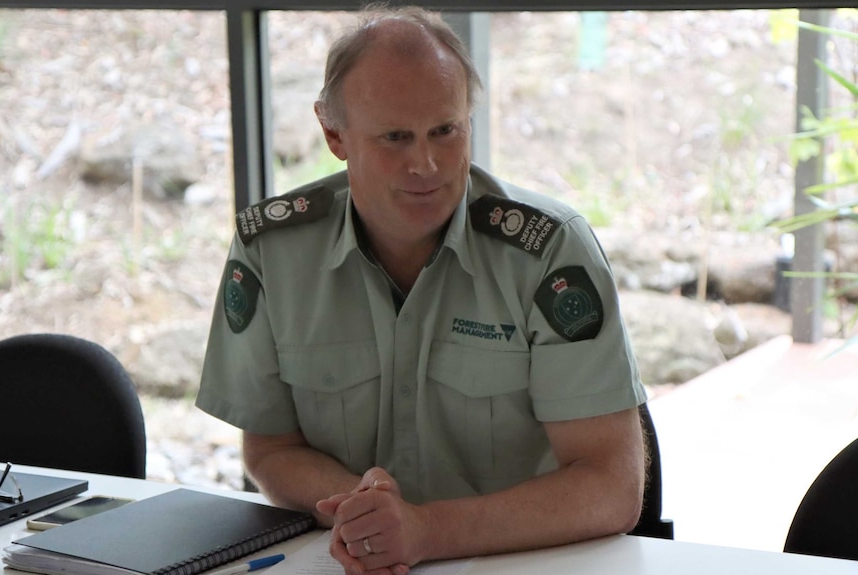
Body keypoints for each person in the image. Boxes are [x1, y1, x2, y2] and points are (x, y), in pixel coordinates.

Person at [197, 5, 647, 575]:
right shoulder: (273, 250)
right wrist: (368, 512)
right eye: (395, 138)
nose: (426, 164)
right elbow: (269, 451)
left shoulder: (547, 252)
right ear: (333, 134)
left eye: (445, 130)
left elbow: (612, 486)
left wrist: (425, 531)